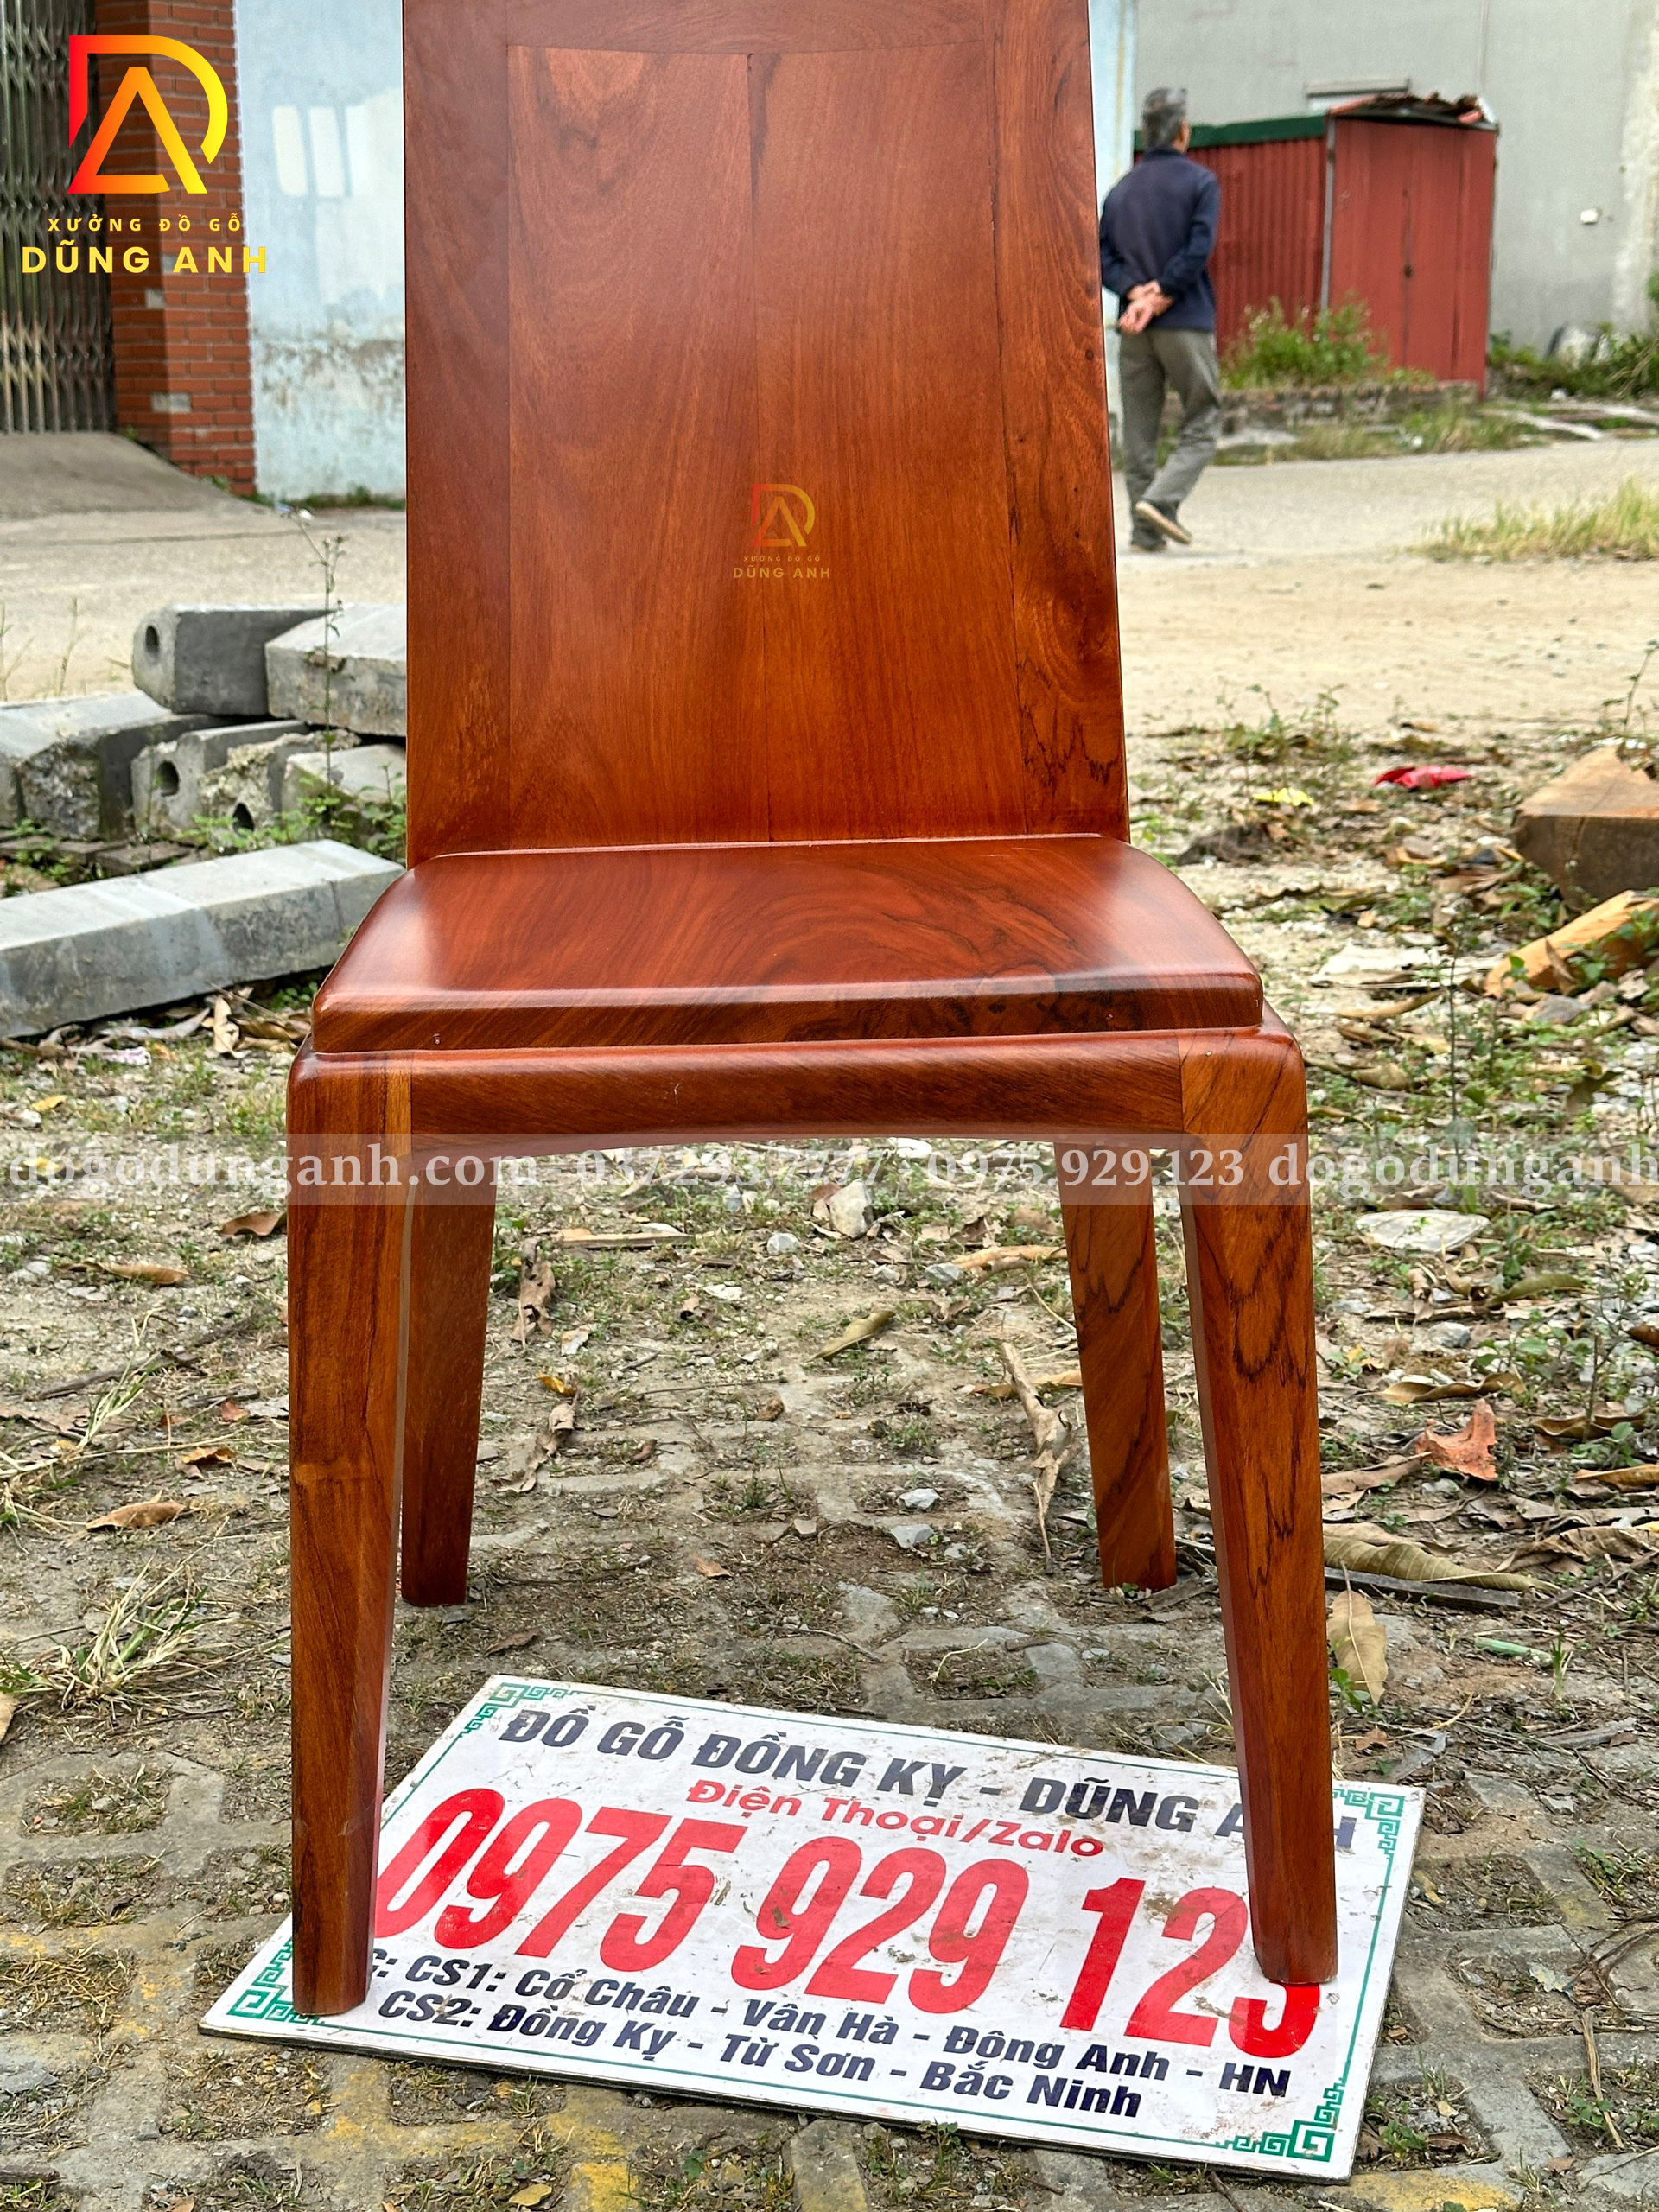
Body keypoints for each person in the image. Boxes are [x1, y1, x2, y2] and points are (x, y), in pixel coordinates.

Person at [1100, 87, 1222, 552]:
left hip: (1134, 329)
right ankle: (1162, 501)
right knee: (1203, 416)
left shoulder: (1121, 191)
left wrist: (1135, 293)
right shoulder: (1201, 184)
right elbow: (1198, 249)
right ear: (1182, 132)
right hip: (1185, 321)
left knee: (1138, 429)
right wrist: (1162, 293)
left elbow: (1102, 256)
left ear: (1145, 133)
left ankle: (1145, 533)